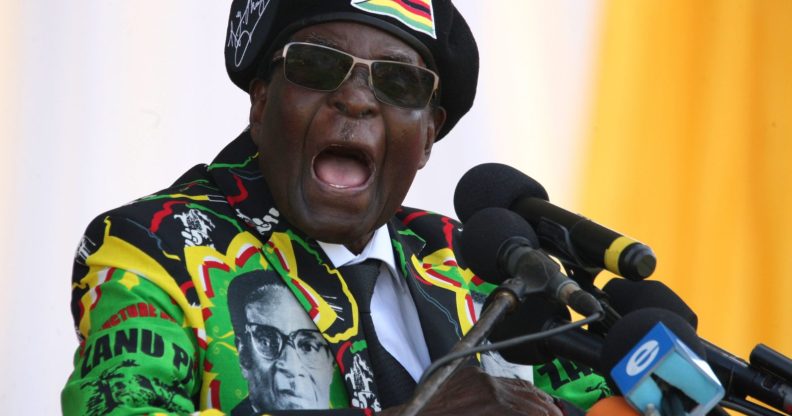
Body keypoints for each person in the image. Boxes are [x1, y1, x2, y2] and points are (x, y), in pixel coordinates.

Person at [62, 0, 608, 414]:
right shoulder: (154, 245)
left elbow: (593, 397)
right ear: (262, 102)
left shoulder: (474, 264)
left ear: (427, 138)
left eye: (398, 81)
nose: (356, 99)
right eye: (319, 66)